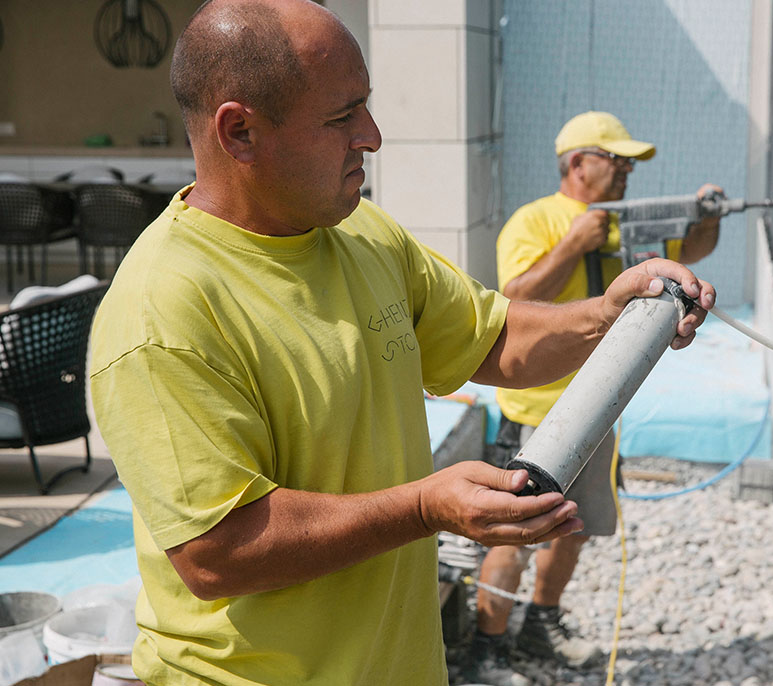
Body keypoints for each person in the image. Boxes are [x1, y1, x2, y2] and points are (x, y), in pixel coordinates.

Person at [87, 3, 716, 686]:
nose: (373, 136)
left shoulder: (360, 234)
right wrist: (423, 506)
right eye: (341, 117)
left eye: (366, 107)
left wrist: (606, 314)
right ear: (239, 131)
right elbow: (217, 552)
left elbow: (494, 337)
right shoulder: (164, 313)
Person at [466, 111, 722, 685]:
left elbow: (692, 251)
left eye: (631, 162)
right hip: (536, 415)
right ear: (578, 163)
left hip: (601, 408)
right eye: (616, 160)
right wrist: (573, 243)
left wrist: (709, 217)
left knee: (571, 528)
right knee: (513, 533)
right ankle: (486, 649)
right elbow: (514, 300)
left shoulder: (621, 225)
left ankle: (541, 622)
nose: (627, 171)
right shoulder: (534, 221)